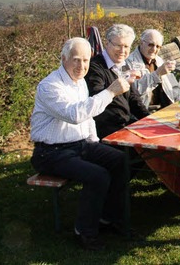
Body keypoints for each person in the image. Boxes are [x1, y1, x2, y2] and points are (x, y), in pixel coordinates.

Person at [30, 37, 130, 251]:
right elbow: (75, 114)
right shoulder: (50, 86)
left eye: (85, 60)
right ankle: (85, 232)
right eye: (76, 60)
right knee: (98, 176)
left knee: (120, 160)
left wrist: (95, 144)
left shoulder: (80, 82)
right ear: (63, 58)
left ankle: (107, 218)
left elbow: (88, 117)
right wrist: (110, 91)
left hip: (80, 144)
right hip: (51, 153)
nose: (81, 66)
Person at [85, 24, 150, 139]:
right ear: (107, 43)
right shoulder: (94, 67)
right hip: (107, 131)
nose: (122, 51)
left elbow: (133, 98)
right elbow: (97, 102)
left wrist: (149, 119)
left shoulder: (123, 65)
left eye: (126, 46)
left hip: (126, 124)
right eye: (118, 45)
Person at [126, 28, 178, 111]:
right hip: (144, 111)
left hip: (165, 107)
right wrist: (157, 74)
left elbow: (172, 86)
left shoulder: (159, 60)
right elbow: (134, 92)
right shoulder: (128, 62)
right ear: (141, 43)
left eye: (158, 46)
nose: (154, 49)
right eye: (151, 44)